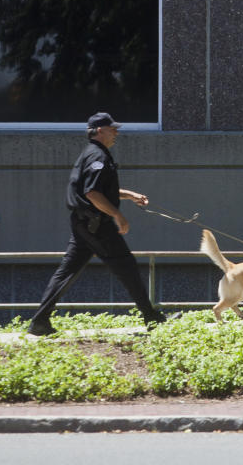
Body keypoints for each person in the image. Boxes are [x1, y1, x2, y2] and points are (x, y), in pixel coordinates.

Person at [27, 112, 167, 335]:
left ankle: (39, 322)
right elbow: (92, 193)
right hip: (97, 225)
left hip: (83, 224)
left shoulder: (89, 154)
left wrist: (129, 195)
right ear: (100, 131)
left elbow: (98, 191)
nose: (117, 132)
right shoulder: (98, 156)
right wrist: (118, 216)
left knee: (66, 272)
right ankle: (151, 318)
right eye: (113, 129)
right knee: (126, 266)